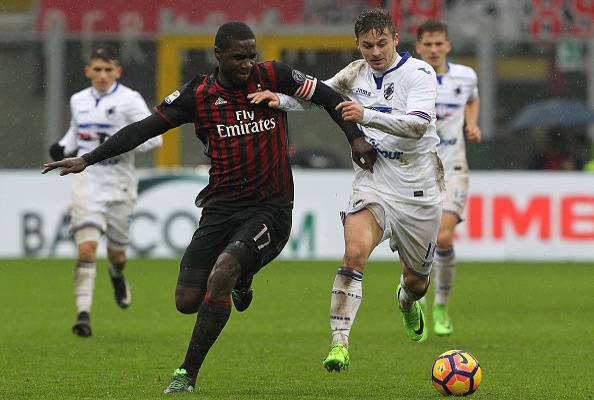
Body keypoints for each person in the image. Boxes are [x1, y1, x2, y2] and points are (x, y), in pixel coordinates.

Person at [43, 22, 377, 393]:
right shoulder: (198, 94)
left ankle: (186, 373)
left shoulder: (274, 75)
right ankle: (242, 281)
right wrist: (88, 158)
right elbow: (145, 128)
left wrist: (356, 138)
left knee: (222, 274)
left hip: (271, 208)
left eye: (251, 55)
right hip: (219, 207)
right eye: (239, 57)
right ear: (217, 55)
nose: (248, 64)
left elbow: (329, 97)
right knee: (187, 301)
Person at [249, 9, 444, 371]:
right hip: (374, 183)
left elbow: (418, 126)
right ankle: (339, 344)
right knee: (353, 254)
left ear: (395, 39)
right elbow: (320, 95)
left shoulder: (419, 73)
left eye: (382, 43)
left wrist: (366, 115)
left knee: (417, 282)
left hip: (418, 191)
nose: (375, 52)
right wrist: (282, 100)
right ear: (358, 44)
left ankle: (405, 301)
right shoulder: (355, 72)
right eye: (367, 45)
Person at [47, 45, 162, 338]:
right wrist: (63, 146)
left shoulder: (129, 100)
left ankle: (117, 275)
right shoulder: (79, 100)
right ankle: (83, 314)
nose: (102, 75)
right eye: (97, 69)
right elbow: (77, 131)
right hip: (89, 180)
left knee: (117, 256)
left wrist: (116, 143)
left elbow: (155, 139)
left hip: (120, 183)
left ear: (117, 72)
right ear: (88, 71)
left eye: (108, 70)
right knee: (86, 248)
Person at [415, 19, 481, 336]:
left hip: (454, 168)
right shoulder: (410, 77)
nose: (433, 49)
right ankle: (412, 296)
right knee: (416, 246)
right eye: (427, 44)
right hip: (417, 172)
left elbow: (472, 99)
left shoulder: (465, 76)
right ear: (418, 47)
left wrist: (472, 124)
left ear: (448, 45)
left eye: (439, 43)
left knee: (443, 237)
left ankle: (440, 305)